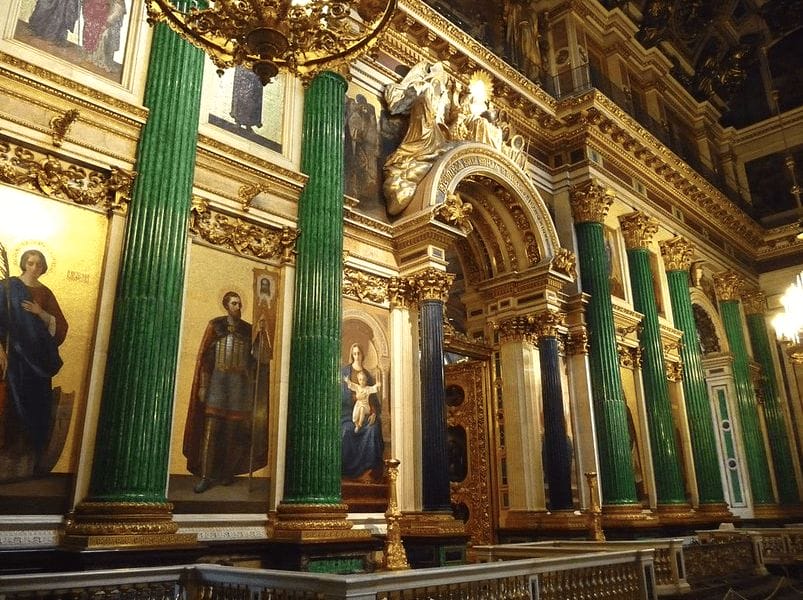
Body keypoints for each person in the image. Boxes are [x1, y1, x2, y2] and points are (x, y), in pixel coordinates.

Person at [183, 291, 269, 493]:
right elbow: (205, 359)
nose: (238, 307)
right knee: (211, 432)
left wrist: (263, 334)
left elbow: (259, 359)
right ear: (226, 305)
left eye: (240, 304)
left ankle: (226, 472)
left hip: (240, 388)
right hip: (218, 385)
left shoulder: (249, 330)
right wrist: (203, 386)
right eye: (234, 303)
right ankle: (205, 476)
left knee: (232, 433)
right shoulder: (216, 326)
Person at [0, 248, 68, 480]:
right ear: (23, 263)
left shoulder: (46, 293)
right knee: (11, 403)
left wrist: (41, 313)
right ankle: (7, 453)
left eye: (39, 264)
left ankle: (27, 456)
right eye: (30, 263)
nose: (34, 267)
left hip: (38, 360)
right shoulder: (7, 287)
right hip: (14, 357)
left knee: (36, 405)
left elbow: (60, 326)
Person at [341, 343, 384, 480]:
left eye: (359, 353)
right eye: (354, 353)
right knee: (347, 430)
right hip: (348, 414)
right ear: (351, 355)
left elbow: (374, 401)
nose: (357, 356)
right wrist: (353, 398)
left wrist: (373, 413)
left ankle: (368, 470)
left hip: (366, 413)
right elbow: (340, 394)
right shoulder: (345, 372)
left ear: (362, 355)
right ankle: (346, 472)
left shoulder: (367, 375)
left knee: (373, 429)